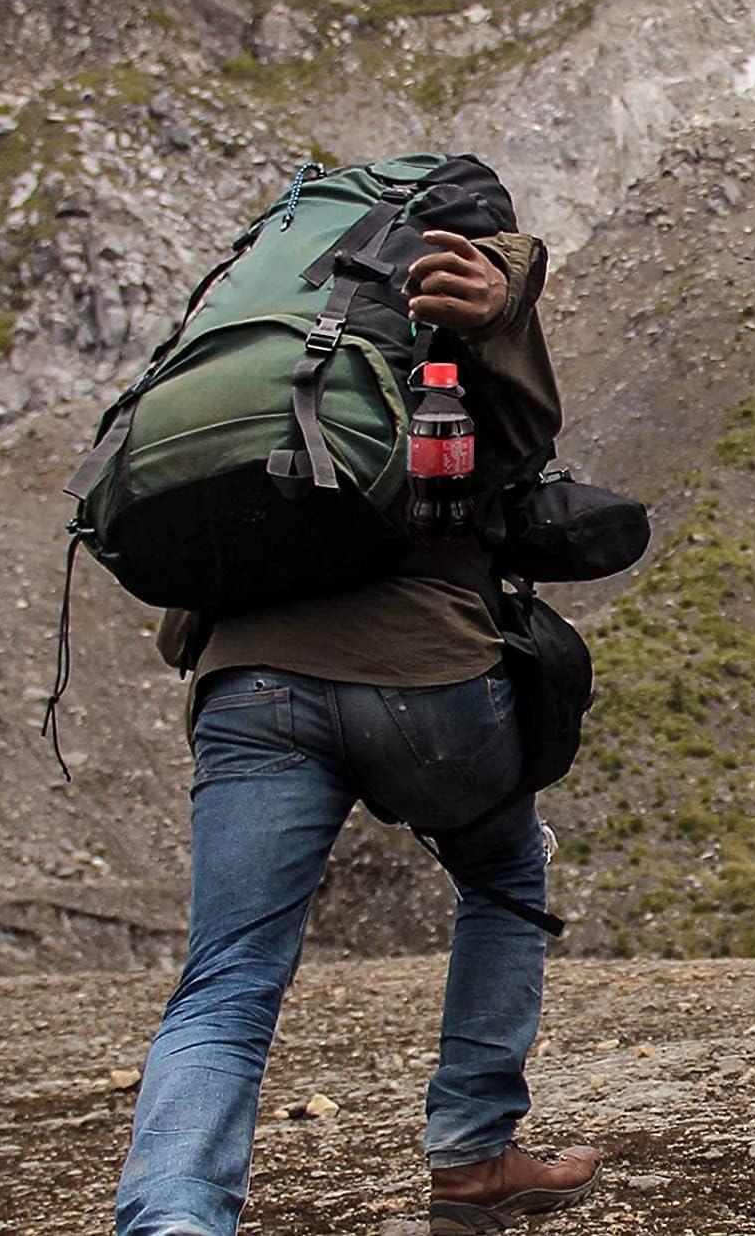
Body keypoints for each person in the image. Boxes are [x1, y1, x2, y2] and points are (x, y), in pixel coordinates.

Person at [115, 224, 603, 1236]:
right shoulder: (452, 295)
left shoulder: (259, 318)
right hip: (423, 671)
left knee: (229, 980)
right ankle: (474, 1155)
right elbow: (523, 448)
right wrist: (505, 304)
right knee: (505, 877)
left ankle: (172, 1217)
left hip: (246, 684)